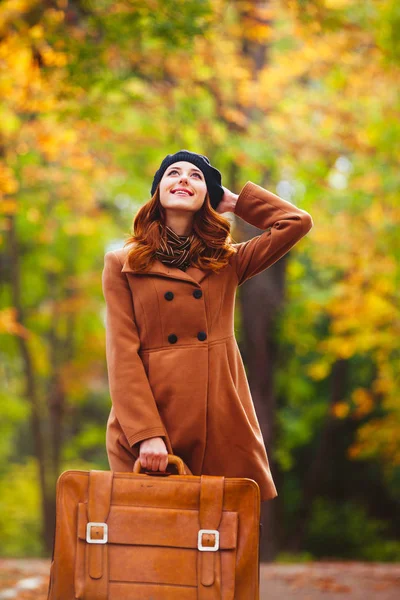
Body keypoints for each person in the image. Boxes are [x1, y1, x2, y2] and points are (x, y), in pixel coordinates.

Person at [102, 149, 313, 503]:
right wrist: (146, 434)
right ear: (157, 192)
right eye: (173, 173)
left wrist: (233, 201)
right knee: (151, 544)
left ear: (208, 197)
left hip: (219, 422)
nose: (184, 178)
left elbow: (296, 222)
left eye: (197, 176)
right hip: (154, 421)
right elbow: (122, 354)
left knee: (220, 546)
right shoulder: (123, 264)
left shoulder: (228, 262)